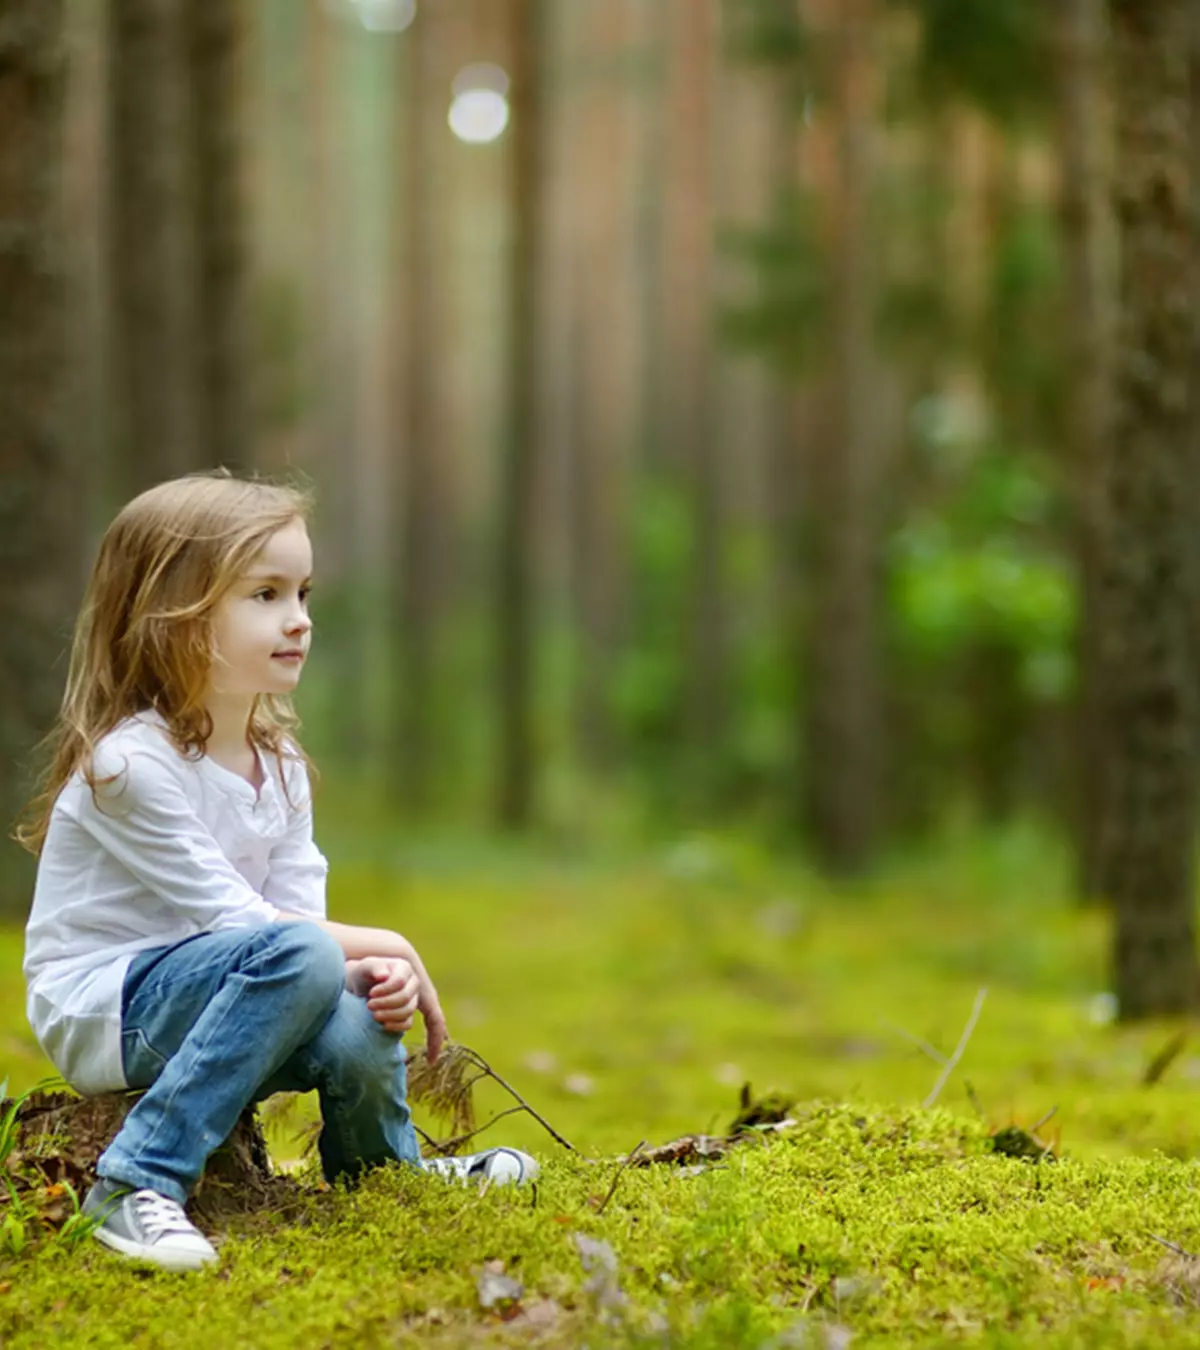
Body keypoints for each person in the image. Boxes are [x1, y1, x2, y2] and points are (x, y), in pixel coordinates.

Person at [18, 472, 537, 1273]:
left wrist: (367, 971)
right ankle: (135, 1181)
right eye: (264, 594)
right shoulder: (129, 764)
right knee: (311, 955)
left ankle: (383, 1175)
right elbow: (251, 925)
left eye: (303, 593)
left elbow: (298, 927)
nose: (299, 621)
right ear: (174, 613)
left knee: (354, 998)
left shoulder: (282, 765)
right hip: (106, 1009)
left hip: (231, 985)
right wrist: (388, 940)